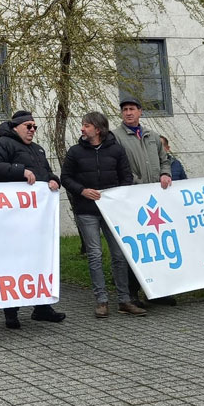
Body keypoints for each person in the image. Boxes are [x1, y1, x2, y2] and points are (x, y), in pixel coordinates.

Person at [0, 110, 66, 328]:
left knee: (40, 260)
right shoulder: (2, 144)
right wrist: (19, 170)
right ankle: (11, 311)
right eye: (28, 126)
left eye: (34, 127)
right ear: (16, 127)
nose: (32, 130)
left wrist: (54, 180)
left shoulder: (37, 149)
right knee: (13, 262)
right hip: (14, 217)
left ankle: (42, 307)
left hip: (37, 219)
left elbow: (46, 172)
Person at [62, 112, 147, 318]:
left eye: (86, 125)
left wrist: (117, 196)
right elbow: (66, 177)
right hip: (87, 211)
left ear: (98, 129)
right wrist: (82, 190)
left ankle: (124, 300)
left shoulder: (117, 150)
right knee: (95, 254)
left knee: (119, 255)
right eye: (83, 125)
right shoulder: (75, 152)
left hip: (112, 211)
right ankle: (101, 300)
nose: (82, 129)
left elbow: (126, 177)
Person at [111, 97, 175, 306]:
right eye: (125, 110)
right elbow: (119, 165)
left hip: (155, 199)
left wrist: (165, 174)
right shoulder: (116, 137)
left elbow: (165, 159)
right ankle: (133, 292)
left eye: (132, 109)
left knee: (157, 245)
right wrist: (136, 182)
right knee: (135, 246)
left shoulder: (152, 136)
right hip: (132, 198)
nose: (128, 113)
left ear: (140, 112)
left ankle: (158, 290)